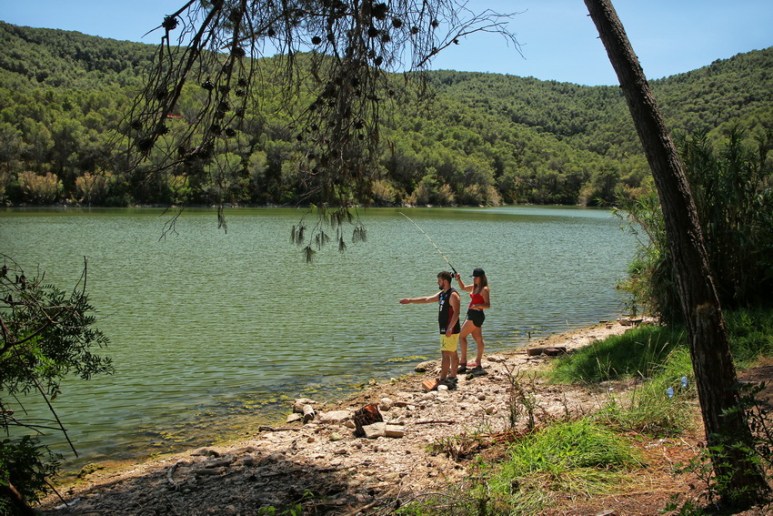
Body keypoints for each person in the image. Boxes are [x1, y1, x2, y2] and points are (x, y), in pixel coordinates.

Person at [399, 271, 461, 390]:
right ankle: (453, 375)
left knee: (446, 353)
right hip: (445, 328)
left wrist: (450, 327)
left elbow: (457, 313)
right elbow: (427, 299)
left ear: (445, 281)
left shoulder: (453, 295)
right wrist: (410, 300)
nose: (437, 282)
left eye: (439, 280)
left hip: (450, 329)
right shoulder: (442, 294)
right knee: (452, 352)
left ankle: (443, 379)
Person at [455, 268, 490, 376]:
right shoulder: (474, 286)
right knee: (478, 339)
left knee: (461, 336)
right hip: (473, 315)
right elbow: (463, 288)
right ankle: (478, 363)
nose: (474, 279)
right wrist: (458, 279)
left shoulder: (484, 289)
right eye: (473, 277)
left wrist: (478, 306)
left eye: (476, 277)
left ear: (481, 277)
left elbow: (488, 305)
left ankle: (463, 362)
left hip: (476, 315)